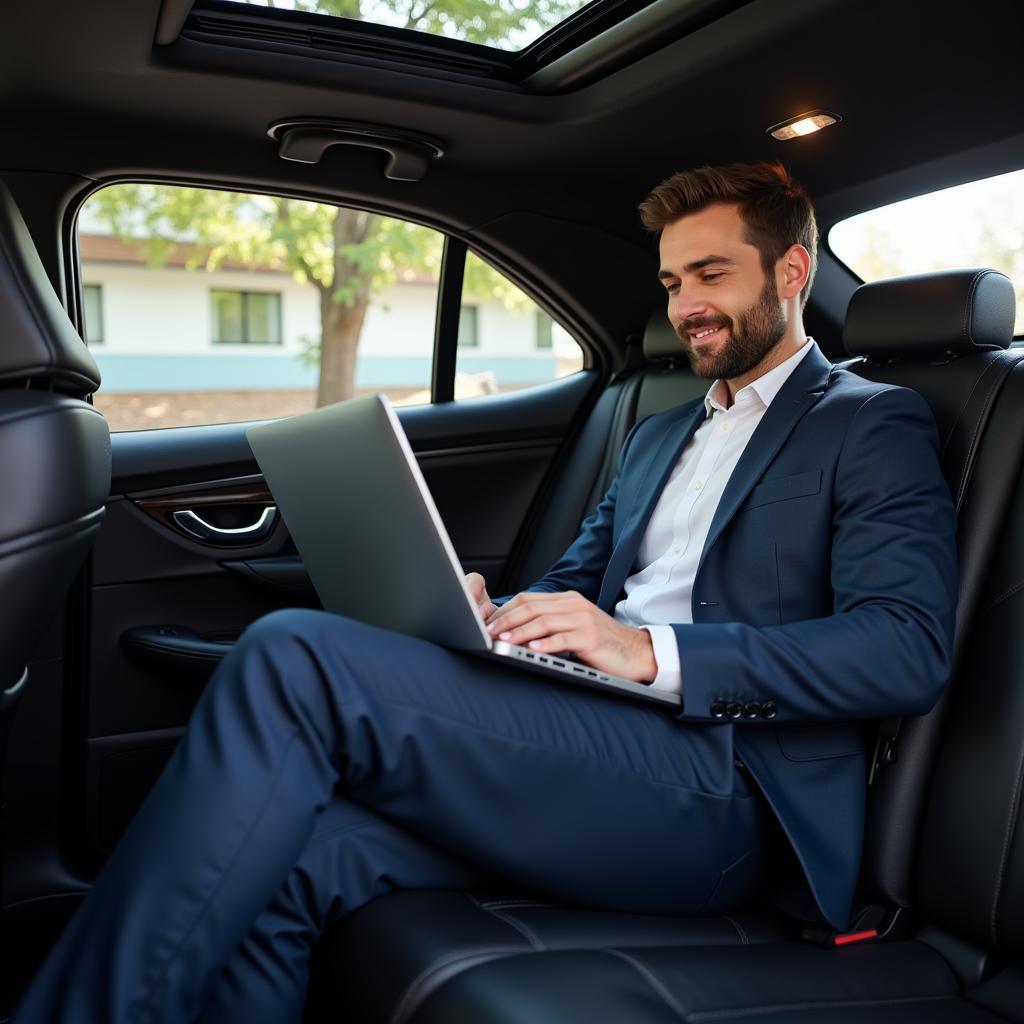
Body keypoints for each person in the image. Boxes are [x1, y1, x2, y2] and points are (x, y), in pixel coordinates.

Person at [15, 162, 957, 1023]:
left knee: (294, 655)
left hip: (727, 788)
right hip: (593, 737)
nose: (686, 307)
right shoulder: (660, 435)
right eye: (672, 284)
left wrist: (647, 652)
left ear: (792, 272)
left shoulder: (869, 423)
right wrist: (501, 617)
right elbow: (578, 582)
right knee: (304, 854)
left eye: (711, 275)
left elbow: (905, 647)